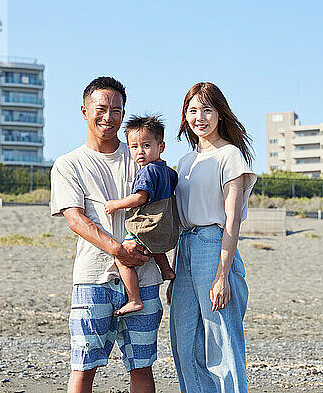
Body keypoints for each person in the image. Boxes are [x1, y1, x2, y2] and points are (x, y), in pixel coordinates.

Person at [50, 76, 163, 393]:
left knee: (142, 366)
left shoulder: (141, 156)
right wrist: (118, 251)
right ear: (84, 110)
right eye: (101, 108)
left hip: (145, 276)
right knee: (83, 366)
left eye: (117, 110)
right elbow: (76, 219)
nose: (109, 117)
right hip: (93, 278)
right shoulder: (68, 164)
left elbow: (165, 206)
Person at [168, 82, 257, 393]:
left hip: (214, 245)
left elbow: (233, 220)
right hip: (186, 249)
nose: (199, 117)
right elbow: (177, 220)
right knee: (183, 339)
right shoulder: (184, 162)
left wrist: (222, 276)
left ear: (220, 114)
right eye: (192, 111)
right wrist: (173, 274)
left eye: (207, 110)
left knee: (221, 339)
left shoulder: (230, 155)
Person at [104, 115, 178, 316]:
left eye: (146, 145)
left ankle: (134, 299)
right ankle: (166, 270)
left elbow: (139, 198)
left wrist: (115, 205)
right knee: (153, 245)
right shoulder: (169, 172)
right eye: (134, 147)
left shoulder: (147, 172)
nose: (140, 152)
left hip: (148, 223)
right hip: (165, 224)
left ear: (160, 146)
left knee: (122, 257)